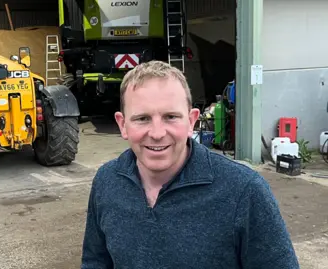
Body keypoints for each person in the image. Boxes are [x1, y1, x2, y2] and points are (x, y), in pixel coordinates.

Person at [80, 60, 300, 268]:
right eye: (142, 118)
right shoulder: (107, 182)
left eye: (171, 117)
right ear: (123, 124)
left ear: (192, 121)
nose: (157, 133)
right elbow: (95, 262)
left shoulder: (244, 191)